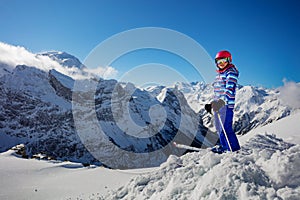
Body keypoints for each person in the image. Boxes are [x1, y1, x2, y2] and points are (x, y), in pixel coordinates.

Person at [205, 50, 240, 153]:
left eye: (224, 61)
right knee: (219, 128)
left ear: (229, 60)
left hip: (226, 106)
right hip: (218, 106)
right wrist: (212, 104)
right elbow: (217, 92)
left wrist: (221, 102)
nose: (221, 64)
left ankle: (234, 150)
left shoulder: (231, 73)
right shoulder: (219, 75)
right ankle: (224, 146)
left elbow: (230, 90)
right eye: (218, 62)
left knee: (226, 128)